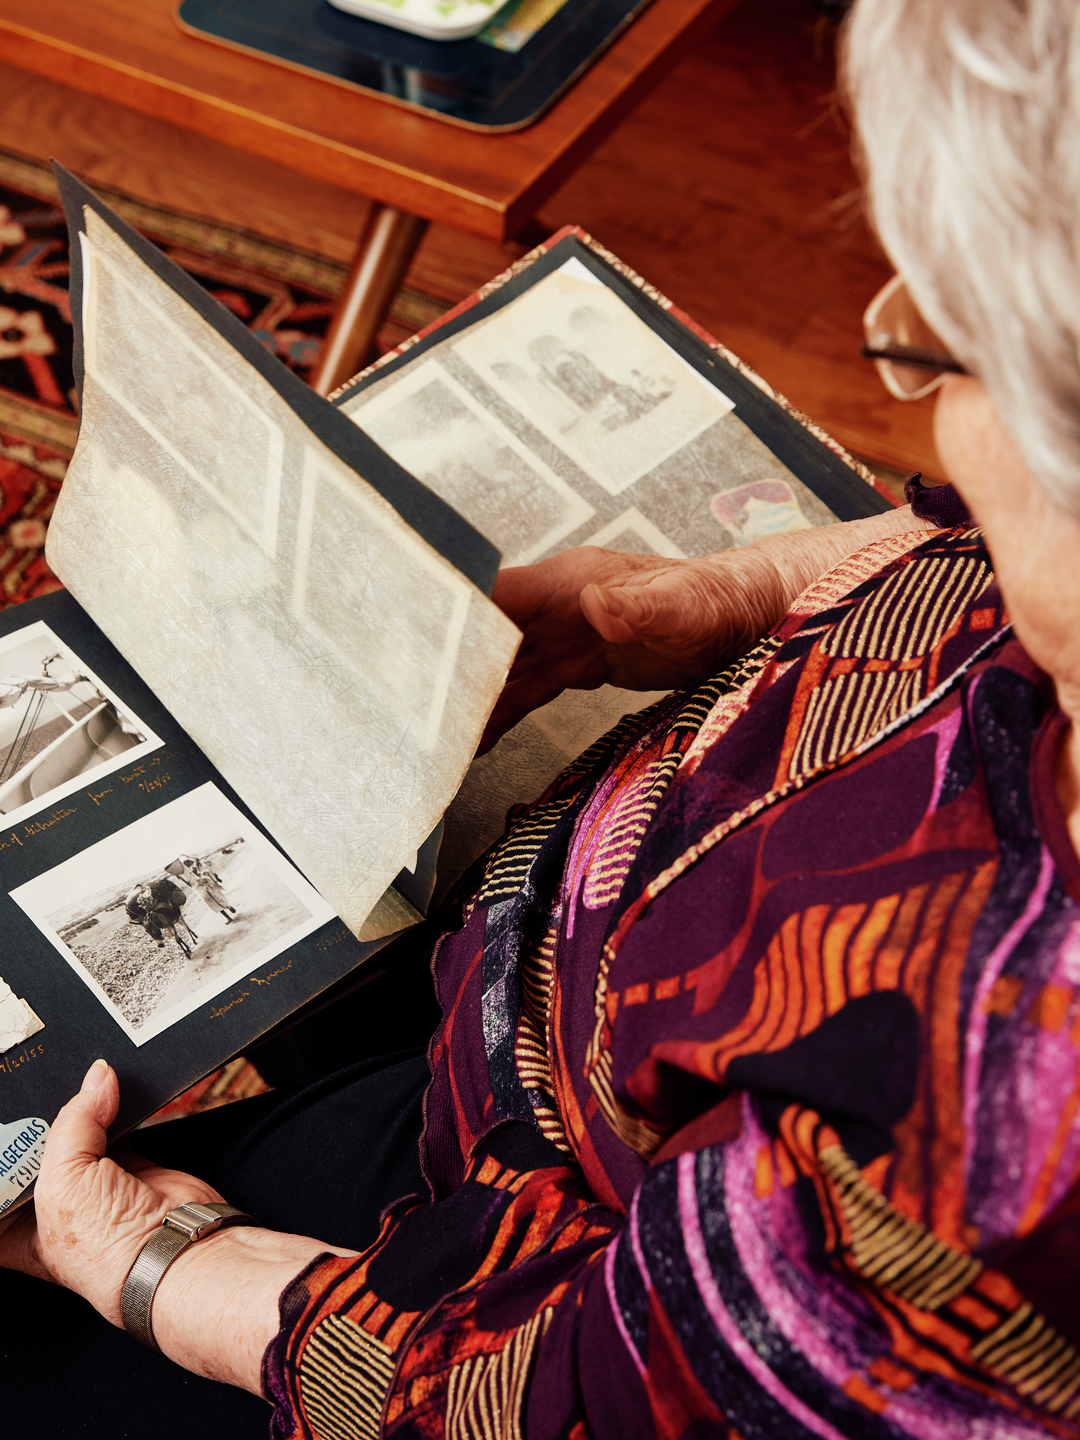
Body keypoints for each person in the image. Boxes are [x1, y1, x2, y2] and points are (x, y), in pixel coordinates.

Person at [4, 1, 1080, 1434]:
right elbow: (952, 555)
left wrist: (152, 1269)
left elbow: (550, 1400)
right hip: (528, 961)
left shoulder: (987, 1158)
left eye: (942, 354)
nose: (924, 411)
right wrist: (714, 595)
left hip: (482, 1232)